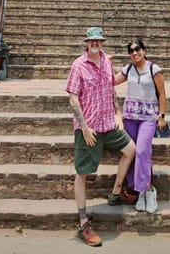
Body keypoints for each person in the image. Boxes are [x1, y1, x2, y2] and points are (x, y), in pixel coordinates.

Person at [65, 26, 136, 247]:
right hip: (90, 129)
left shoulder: (107, 61)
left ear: (102, 42)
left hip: (109, 124)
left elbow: (111, 89)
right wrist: (84, 128)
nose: (95, 43)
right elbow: (73, 99)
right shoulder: (78, 65)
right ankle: (83, 221)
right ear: (86, 43)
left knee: (131, 150)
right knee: (82, 173)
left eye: (99, 40)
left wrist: (118, 113)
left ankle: (115, 193)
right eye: (92, 40)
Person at [115, 39, 168, 214]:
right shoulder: (128, 69)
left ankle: (149, 190)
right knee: (133, 153)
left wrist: (161, 115)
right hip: (130, 117)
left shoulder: (154, 69)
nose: (134, 52)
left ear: (144, 50)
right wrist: (103, 63)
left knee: (143, 151)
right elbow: (111, 81)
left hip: (148, 117)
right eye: (131, 50)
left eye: (137, 49)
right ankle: (140, 192)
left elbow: (162, 94)